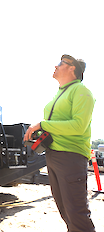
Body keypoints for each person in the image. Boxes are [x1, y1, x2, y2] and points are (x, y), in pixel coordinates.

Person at [24, 54, 95, 232]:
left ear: (72, 68)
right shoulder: (61, 93)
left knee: (76, 214)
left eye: (60, 63)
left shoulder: (81, 91)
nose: (55, 66)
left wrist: (42, 124)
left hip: (70, 156)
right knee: (66, 212)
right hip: (54, 155)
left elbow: (78, 126)